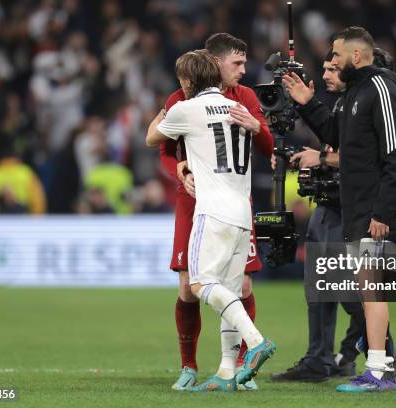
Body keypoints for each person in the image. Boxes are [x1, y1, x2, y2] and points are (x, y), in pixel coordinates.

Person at [284, 26, 396, 392]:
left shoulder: (380, 89)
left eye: (336, 53)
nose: (331, 59)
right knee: (366, 291)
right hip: (359, 210)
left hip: (377, 213)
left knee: (370, 290)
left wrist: (382, 214)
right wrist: (305, 102)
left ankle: (381, 370)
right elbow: (336, 135)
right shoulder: (352, 95)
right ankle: (380, 368)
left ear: (356, 56)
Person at [146, 49, 276, 392]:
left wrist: (167, 108)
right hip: (241, 211)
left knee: (200, 284)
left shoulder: (185, 109)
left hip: (212, 209)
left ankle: (256, 341)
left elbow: (151, 138)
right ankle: (226, 372)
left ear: (187, 81)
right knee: (231, 288)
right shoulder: (241, 109)